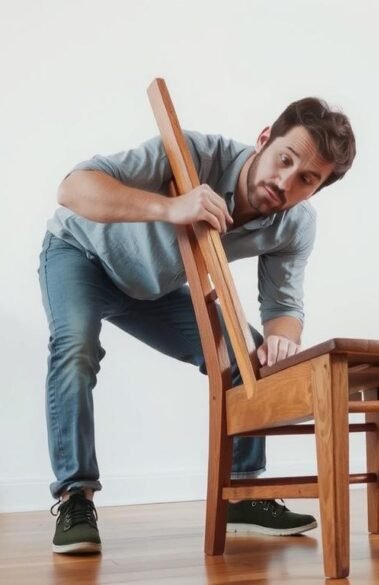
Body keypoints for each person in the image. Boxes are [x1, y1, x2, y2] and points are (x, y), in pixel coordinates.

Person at [38, 97, 356, 554]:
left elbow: (283, 304)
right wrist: (171, 208)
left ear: (318, 188)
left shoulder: (295, 225)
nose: (285, 181)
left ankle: (244, 495)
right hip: (79, 254)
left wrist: (282, 341)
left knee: (246, 355)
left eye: (307, 178)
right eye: (284, 159)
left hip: (154, 290)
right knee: (76, 347)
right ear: (264, 138)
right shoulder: (192, 153)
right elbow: (73, 189)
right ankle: (75, 498)